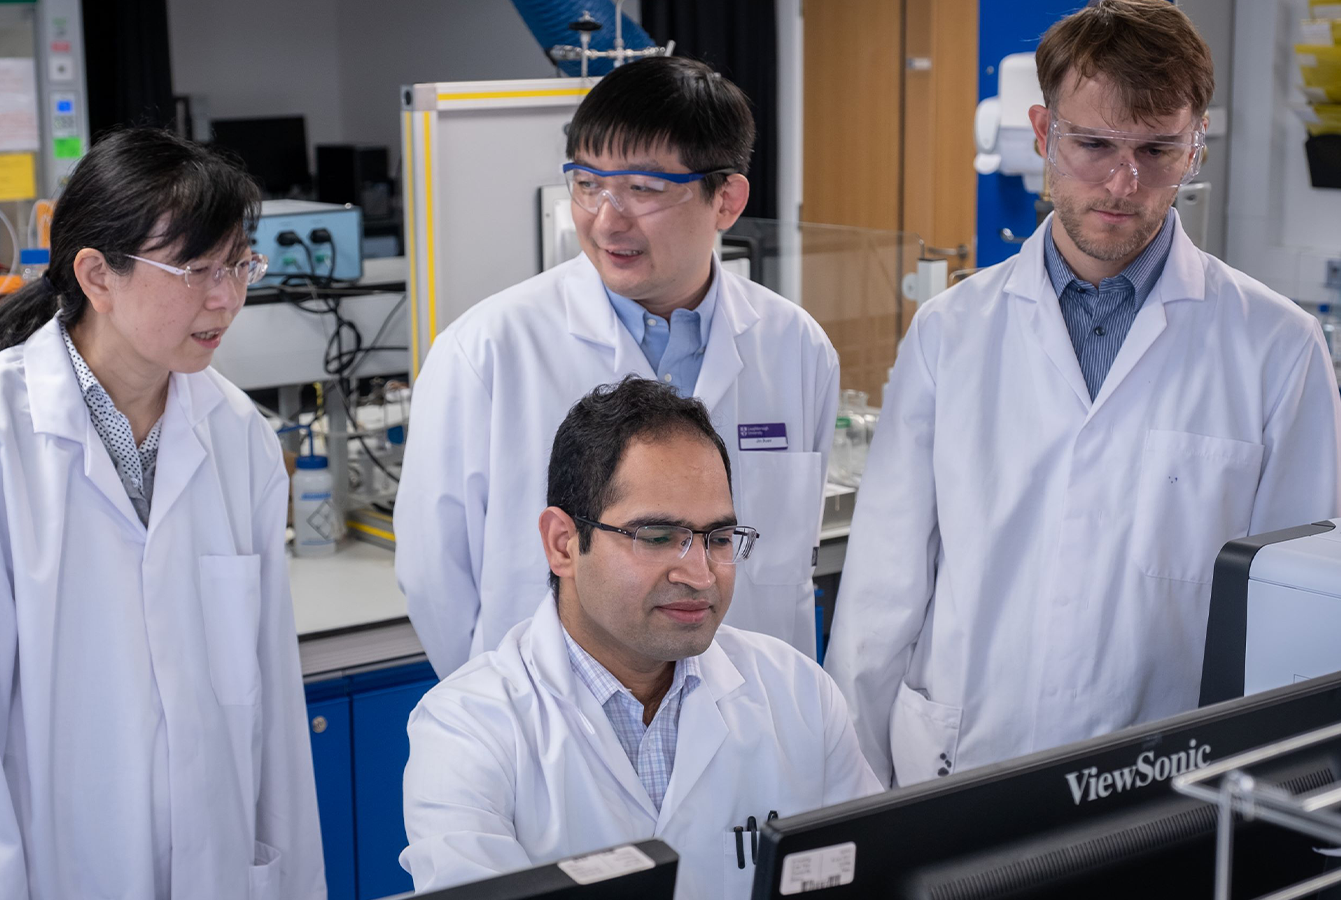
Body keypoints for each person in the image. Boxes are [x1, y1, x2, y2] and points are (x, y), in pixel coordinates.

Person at [825, 0, 1341, 788]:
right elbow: (881, 591)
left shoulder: (1277, 348)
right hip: (961, 761)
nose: (1123, 182)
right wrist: (847, 812)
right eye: (1094, 144)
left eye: (1159, 150)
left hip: (1162, 782)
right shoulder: (950, 331)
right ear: (1042, 134)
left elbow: (1290, 616)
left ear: (1197, 143)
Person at [0, 128, 324, 899]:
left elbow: (273, 708)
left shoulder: (237, 435)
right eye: (194, 269)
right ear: (96, 274)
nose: (225, 298)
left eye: (238, 265)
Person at [395, 56, 840, 679]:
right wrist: (509, 716)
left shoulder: (795, 348)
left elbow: (790, 559)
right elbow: (433, 575)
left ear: (727, 200)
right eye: (587, 184)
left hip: (749, 724)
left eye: (643, 189)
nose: (607, 218)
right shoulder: (488, 350)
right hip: (551, 733)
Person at [400, 378, 880, 900]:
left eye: (719, 539)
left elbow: (876, 879)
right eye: (657, 538)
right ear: (563, 544)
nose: (700, 574)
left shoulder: (799, 694)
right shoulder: (465, 732)